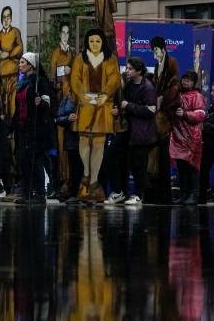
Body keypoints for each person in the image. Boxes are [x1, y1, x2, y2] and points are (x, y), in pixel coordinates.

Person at [69, 28, 121, 204]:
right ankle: (86, 172)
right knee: (84, 140)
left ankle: (93, 181)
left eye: (98, 41)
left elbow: (115, 79)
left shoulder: (110, 58)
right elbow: (74, 79)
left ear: (102, 43)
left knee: (99, 142)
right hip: (85, 103)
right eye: (91, 41)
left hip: (102, 104)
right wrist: (82, 95)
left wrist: (106, 94)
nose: (95, 44)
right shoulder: (80, 58)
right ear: (87, 43)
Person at [113, 56, 157, 206]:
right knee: (120, 160)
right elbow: (123, 103)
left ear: (139, 70)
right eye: (127, 68)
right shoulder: (129, 85)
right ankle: (121, 192)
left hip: (142, 133)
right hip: (128, 131)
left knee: (139, 165)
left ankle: (140, 195)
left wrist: (128, 106)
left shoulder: (148, 87)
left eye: (131, 68)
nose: (128, 71)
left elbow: (151, 110)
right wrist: (119, 110)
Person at [13, 51, 53, 204]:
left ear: (30, 65)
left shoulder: (39, 82)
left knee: (36, 159)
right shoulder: (22, 84)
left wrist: (40, 103)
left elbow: (47, 103)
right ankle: (26, 191)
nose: (20, 65)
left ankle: (40, 193)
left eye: (23, 62)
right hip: (23, 127)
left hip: (36, 127)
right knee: (24, 159)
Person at [150, 36, 181, 204]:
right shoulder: (157, 66)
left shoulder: (172, 63)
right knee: (156, 155)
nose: (155, 53)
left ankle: (166, 195)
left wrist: (163, 98)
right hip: (158, 113)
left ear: (163, 49)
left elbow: (174, 86)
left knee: (164, 154)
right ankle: (157, 192)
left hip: (167, 114)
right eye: (153, 51)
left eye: (156, 50)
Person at [171, 71, 205, 205]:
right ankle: (184, 194)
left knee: (192, 166)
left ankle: (193, 195)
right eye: (184, 79)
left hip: (192, 136)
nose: (186, 82)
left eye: (189, 80)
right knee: (181, 167)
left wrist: (185, 114)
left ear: (194, 82)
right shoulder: (177, 94)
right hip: (178, 135)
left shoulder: (197, 96)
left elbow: (201, 114)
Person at [0, 6, 24, 121]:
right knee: (3, 103)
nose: (6, 20)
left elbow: (20, 48)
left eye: (8, 17)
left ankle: (12, 124)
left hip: (13, 72)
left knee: (12, 100)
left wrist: (9, 53)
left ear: (11, 19)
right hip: (2, 75)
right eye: (4, 17)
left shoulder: (16, 32)